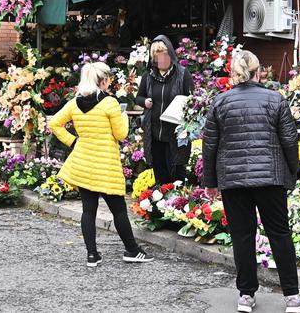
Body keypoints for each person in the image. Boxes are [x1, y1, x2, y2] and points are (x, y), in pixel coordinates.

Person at [201, 50, 300, 313]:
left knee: (243, 237)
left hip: (234, 181)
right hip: (271, 179)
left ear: (234, 73)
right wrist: (292, 173)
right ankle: (292, 296)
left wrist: (210, 182)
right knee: (280, 235)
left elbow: (210, 144)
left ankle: (246, 295)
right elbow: (290, 140)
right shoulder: (275, 100)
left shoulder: (220, 102)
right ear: (259, 73)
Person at [50, 62, 154, 267]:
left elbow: (54, 123)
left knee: (89, 210)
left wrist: (73, 141)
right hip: (105, 165)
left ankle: (92, 255)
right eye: (108, 80)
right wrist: (123, 117)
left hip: (83, 163)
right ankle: (132, 250)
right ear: (103, 81)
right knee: (118, 210)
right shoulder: (110, 103)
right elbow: (121, 134)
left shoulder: (74, 103)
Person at [134, 35, 194, 185]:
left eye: (164, 55)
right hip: (154, 133)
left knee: (177, 171)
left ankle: (177, 203)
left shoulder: (182, 74)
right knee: (159, 171)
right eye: (157, 56)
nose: (161, 59)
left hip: (176, 133)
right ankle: (161, 200)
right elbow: (138, 97)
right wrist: (144, 102)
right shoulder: (148, 76)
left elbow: (192, 100)